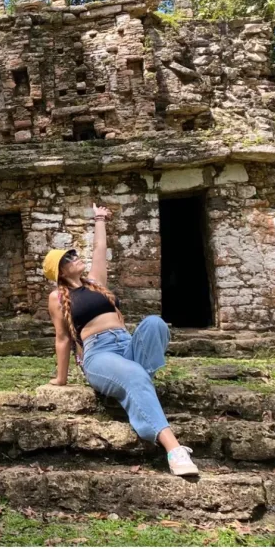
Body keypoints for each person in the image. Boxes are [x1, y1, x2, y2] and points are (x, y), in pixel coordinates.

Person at [43, 203, 198, 477]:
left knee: (155, 323)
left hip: (126, 344)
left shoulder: (95, 283)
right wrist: (61, 378)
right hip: (99, 355)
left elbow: (100, 249)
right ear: (61, 272)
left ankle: (139, 383)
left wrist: (100, 219)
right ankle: (173, 449)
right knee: (134, 374)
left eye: (74, 253)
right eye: (68, 258)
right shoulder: (57, 298)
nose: (75, 257)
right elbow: (63, 338)